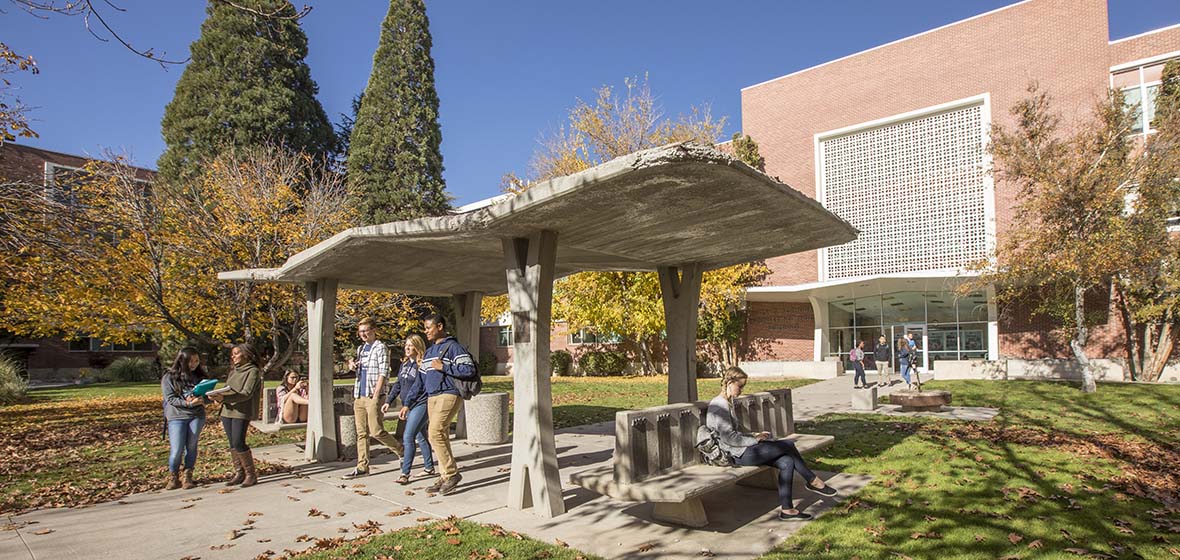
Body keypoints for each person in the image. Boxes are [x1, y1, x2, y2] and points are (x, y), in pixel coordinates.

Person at [707, 366, 837, 520]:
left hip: (741, 450)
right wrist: (755, 440)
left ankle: (787, 510)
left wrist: (755, 434)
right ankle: (812, 480)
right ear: (729, 383)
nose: (741, 390)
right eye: (740, 386)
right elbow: (730, 439)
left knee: (787, 461)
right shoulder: (719, 405)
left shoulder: (727, 403)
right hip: (735, 455)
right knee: (788, 445)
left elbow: (736, 432)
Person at [419, 313, 477, 495]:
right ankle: (445, 475)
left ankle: (452, 474)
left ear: (440, 327)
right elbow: (420, 380)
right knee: (438, 435)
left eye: (429, 327)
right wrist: (408, 402)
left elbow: (469, 370)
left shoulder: (454, 347)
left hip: (449, 394)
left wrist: (444, 367)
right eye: (425, 328)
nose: (426, 331)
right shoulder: (429, 352)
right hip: (432, 396)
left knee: (435, 432)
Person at [343, 318, 404, 480]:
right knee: (361, 433)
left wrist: (377, 395)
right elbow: (360, 370)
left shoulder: (380, 347)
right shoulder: (361, 349)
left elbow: (384, 372)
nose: (363, 334)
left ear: (373, 330)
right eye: (360, 331)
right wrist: (352, 365)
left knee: (376, 430)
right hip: (359, 395)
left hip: (373, 395)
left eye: (366, 330)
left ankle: (400, 450)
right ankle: (362, 466)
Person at [383, 334, 435, 485]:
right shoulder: (405, 364)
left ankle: (405, 473)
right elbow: (398, 384)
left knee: (408, 436)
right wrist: (388, 401)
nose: (407, 348)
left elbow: (420, 388)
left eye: (411, 345)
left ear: (418, 347)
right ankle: (429, 467)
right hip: (408, 404)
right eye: (406, 345)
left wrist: (408, 404)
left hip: (420, 403)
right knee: (420, 436)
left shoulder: (423, 364)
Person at [209, 343, 263, 487]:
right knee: (232, 443)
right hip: (227, 411)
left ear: (247, 354)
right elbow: (228, 389)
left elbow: (247, 393)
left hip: (242, 411)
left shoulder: (253, 371)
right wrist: (218, 396)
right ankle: (239, 473)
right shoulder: (234, 371)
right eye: (232, 354)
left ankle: (251, 475)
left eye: (236, 353)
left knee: (239, 442)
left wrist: (224, 398)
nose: (233, 356)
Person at [161, 346, 208, 490]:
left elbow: (206, 397)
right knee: (177, 449)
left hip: (197, 415)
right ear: (182, 361)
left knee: (192, 446)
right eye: (191, 361)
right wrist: (188, 403)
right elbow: (170, 399)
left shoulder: (201, 377)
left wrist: (208, 398)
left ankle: (188, 475)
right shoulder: (169, 377)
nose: (194, 364)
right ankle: (173, 476)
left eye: (196, 361)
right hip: (177, 416)